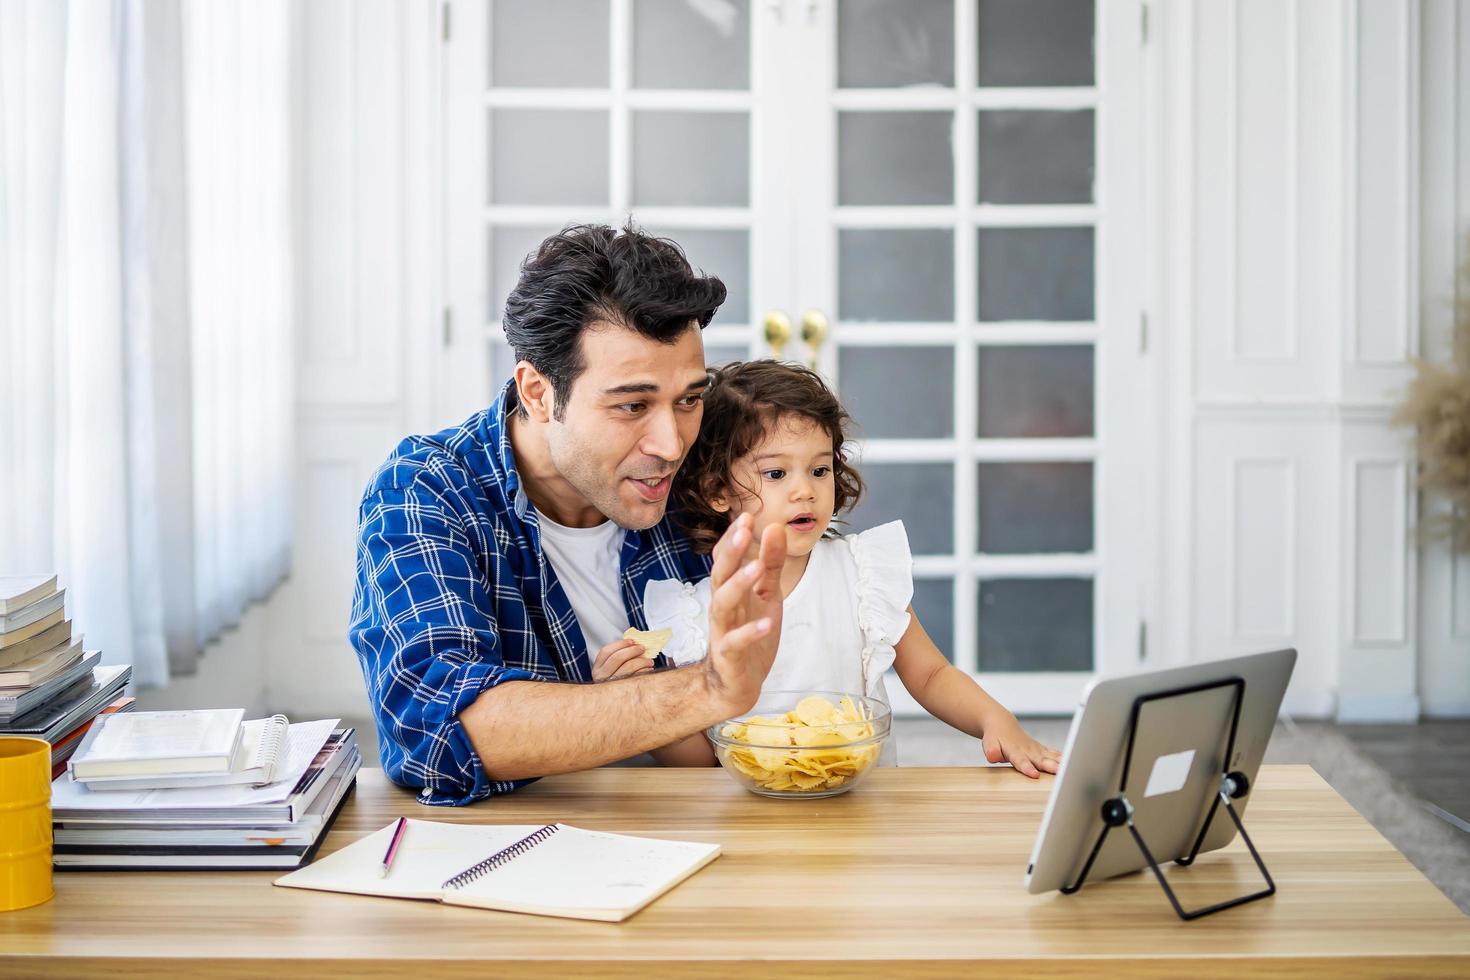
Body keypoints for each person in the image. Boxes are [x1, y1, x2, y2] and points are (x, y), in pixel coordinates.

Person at [348, 224, 787, 805]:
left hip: (703, 824)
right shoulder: (426, 491)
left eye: (688, 398)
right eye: (632, 404)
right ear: (536, 392)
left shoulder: (711, 470)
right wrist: (706, 690)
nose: (671, 444)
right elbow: (435, 734)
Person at [628, 360, 1061, 777]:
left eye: (819, 469)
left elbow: (930, 674)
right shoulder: (694, 611)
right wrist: (646, 715)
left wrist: (996, 720)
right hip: (752, 821)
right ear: (718, 490)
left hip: (863, 804)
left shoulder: (861, 573)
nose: (805, 490)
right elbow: (704, 761)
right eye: (777, 473)